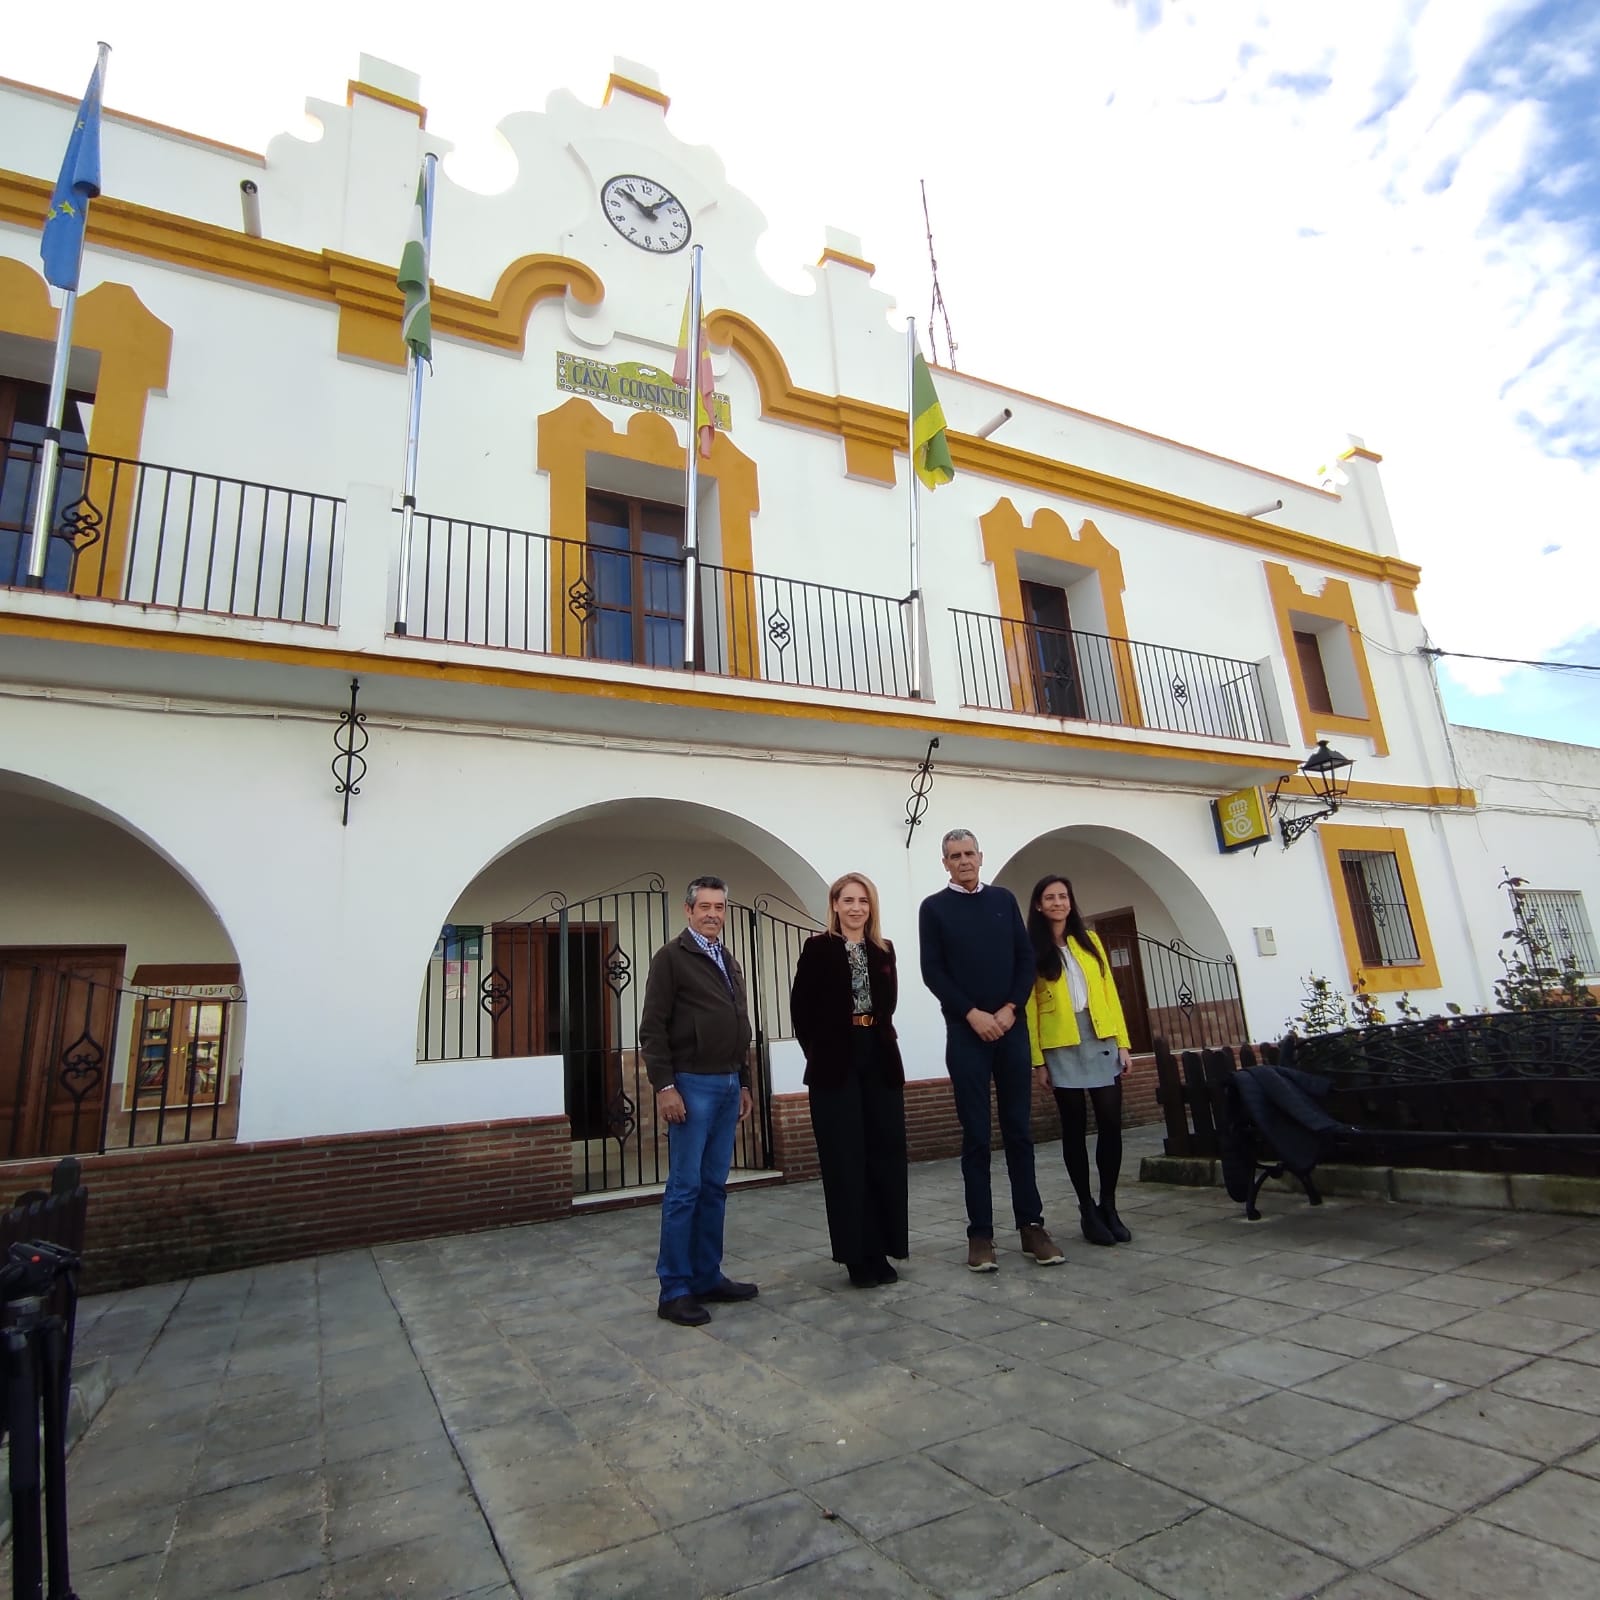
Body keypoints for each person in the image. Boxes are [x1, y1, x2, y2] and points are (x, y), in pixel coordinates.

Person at [919, 828, 1065, 1272]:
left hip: (1011, 1029)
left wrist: (1008, 1009)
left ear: (980, 857)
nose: (963, 861)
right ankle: (980, 1234)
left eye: (969, 853)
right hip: (967, 1034)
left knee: (1019, 1130)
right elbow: (933, 971)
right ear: (944, 863)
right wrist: (972, 1014)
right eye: (954, 856)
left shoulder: (1003, 900)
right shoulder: (934, 908)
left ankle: (1031, 1226)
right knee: (977, 1135)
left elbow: (1025, 960)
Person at [640, 875, 761, 1327]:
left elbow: (739, 1024)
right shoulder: (672, 958)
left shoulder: (727, 960)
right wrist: (665, 1086)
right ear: (687, 911)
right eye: (704, 907)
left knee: (714, 1187)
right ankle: (674, 1289)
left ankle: (707, 1276)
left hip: (728, 1084)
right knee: (685, 1189)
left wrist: (745, 1082)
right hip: (691, 1085)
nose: (713, 914)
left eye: (720, 907)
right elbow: (652, 1027)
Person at [790, 872, 909, 1289]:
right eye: (848, 900)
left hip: (878, 1057)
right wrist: (822, 1051)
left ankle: (882, 1248)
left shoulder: (884, 950)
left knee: (884, 1154)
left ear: (870, 907)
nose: (856, 907)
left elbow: (889, 1006)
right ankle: (856, 1255)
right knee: (845, 1159)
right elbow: (800, 1011)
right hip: (834, 1064)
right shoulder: (817, 948)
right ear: (835, 905)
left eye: (863, 901)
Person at [1025, 874, 1134, 1246]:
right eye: (1050, 897)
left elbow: (1110, 993)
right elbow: (1029, 1008)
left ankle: (1109, 1205)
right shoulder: (1032, 949)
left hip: (1099, 1036)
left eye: (1063, 896)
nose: (1058, 902)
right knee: (1073, 1129)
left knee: (1110, 1123)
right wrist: (1038, 1061)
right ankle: (1087, 1209)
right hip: (1061, 1044)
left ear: (1070, 901)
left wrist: (1122, 1041)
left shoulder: (1090, 942)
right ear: (1038, 905)